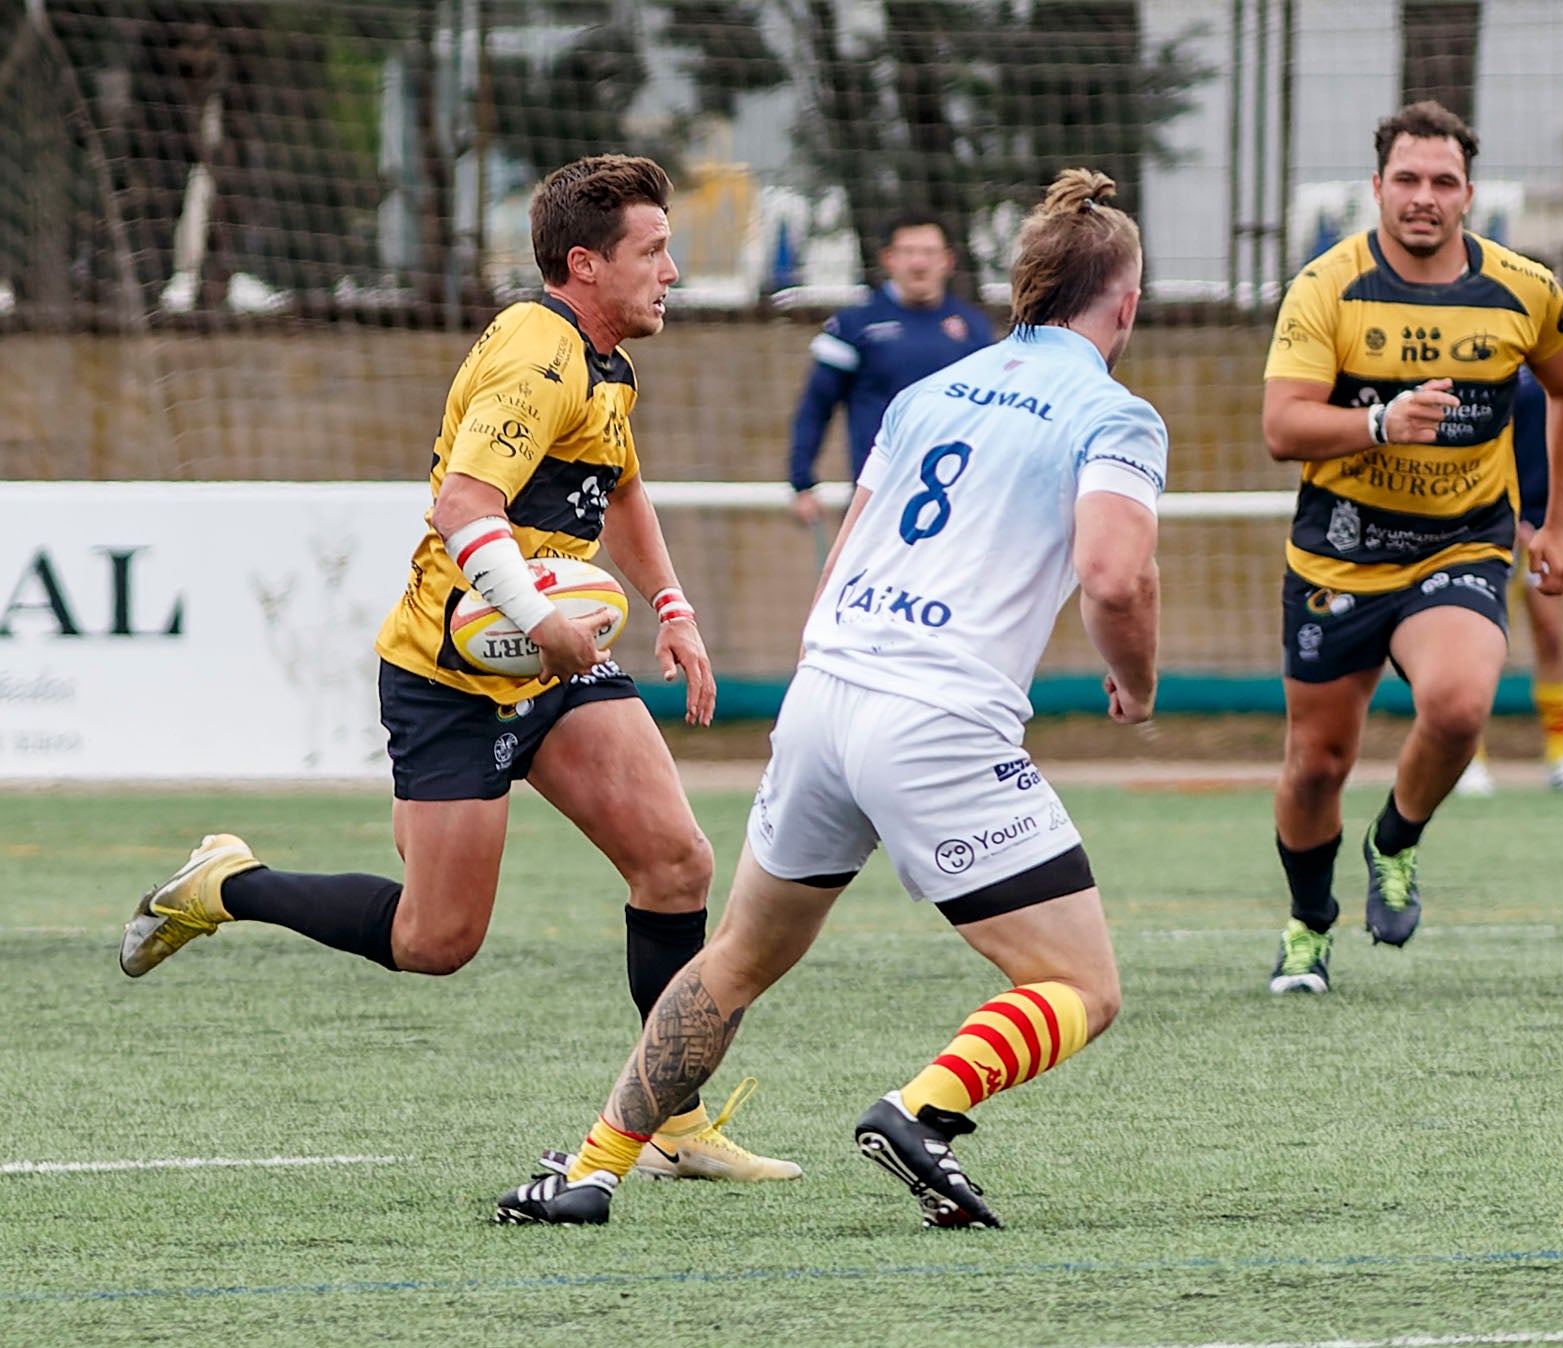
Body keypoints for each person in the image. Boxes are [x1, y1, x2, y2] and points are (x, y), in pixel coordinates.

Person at [495, 167, 1165, 1229]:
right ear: (1122, 303)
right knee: (1082, 987)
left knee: (738, 958)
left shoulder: (927, 392)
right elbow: (1119, 575)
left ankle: (590, 1167)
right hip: (935, 717)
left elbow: (846, 548)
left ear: (1020, 292)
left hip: (828, 689)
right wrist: (1133, 675)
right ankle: (922, 1110)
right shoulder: (1113, 414)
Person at [119, 155, 797, 1183]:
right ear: (585, 263)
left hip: (552, 658)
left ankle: (670, 1119)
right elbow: (463, 507)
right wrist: (542, 617)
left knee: (676, 864)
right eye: (654, 252)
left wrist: (672, 609)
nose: (673, 273)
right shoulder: (540, 355)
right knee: (435, 939)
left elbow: (621, 489)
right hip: (454, 669)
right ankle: (226, 883)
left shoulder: (606, 360)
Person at [1261, 101, 1563, 996]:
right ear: (1377, 189)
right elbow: (1282, 427)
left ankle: (1394, 841)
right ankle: (1307, 926)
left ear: (1468, 196)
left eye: (1443, 182)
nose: (1424, 198)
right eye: (1407, 180)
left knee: (1456, 705)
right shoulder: (1325, 287)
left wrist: (1559, 522)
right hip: (1338, 556)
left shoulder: (1524, 289)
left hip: (1461, 544)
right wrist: (1378, 419)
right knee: (1316, 763)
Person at [1453, 363, 1563, 799]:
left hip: (1542, 526)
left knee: (1551, 637)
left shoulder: (1555, 364)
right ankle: (1467, 759)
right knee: (1476, 643)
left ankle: (1560, 759)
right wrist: (1501, 517)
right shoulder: (1480, 362)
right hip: (1483, 528)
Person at [787, 212, 994, 526]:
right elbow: (816, 406)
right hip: (877, 503)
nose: (919, 263)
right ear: (888, 259)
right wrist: (802, 481)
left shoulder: (975, 330)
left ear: (948, 261)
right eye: (909, 252)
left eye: (928, 253)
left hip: (960, 505)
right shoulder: (854, 325)